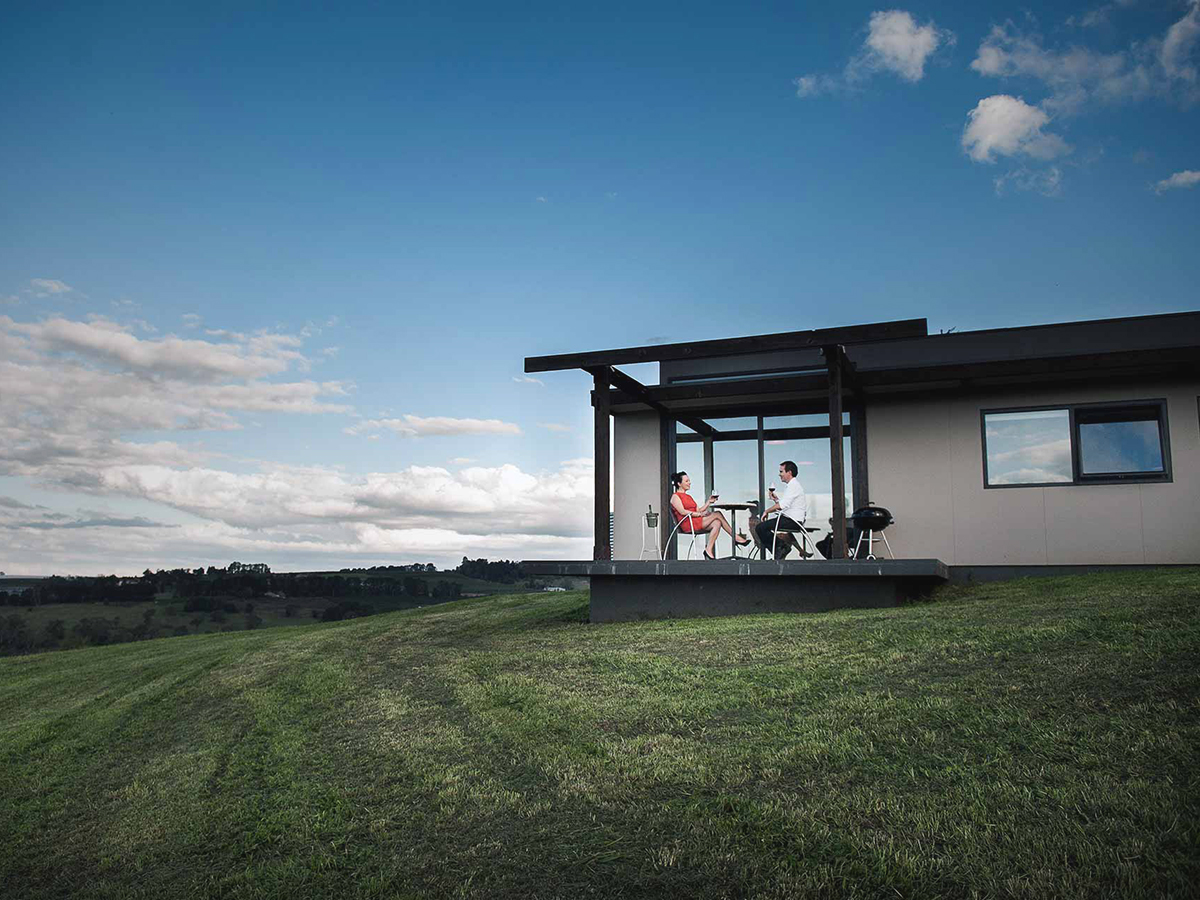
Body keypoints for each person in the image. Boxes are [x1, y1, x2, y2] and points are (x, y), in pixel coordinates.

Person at [669, 471, 750, 560]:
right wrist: (699, 514)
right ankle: (736, 537)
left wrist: (708, 502)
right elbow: (683, 512)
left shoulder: (688, 497)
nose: (690, 483)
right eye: (687, 481)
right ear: (679, 483)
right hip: (688, 523)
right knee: (717, 514)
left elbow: (698, 510)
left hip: (695, 520)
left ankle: (708, 550)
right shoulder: (675, 497)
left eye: (689, 481)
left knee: (717, 522)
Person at [755, 461, 808, 559]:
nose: (779, 474)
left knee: (760, 528)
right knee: (762, 527)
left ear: (789, 472)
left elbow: (782, 506)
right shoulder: (792, 486)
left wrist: (766, 511)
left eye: (781, 471)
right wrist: (776, 500)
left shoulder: (793, 486)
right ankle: (780, 549)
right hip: (791, 519)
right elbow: (785, 505)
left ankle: (781, 547)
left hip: (792, 521)